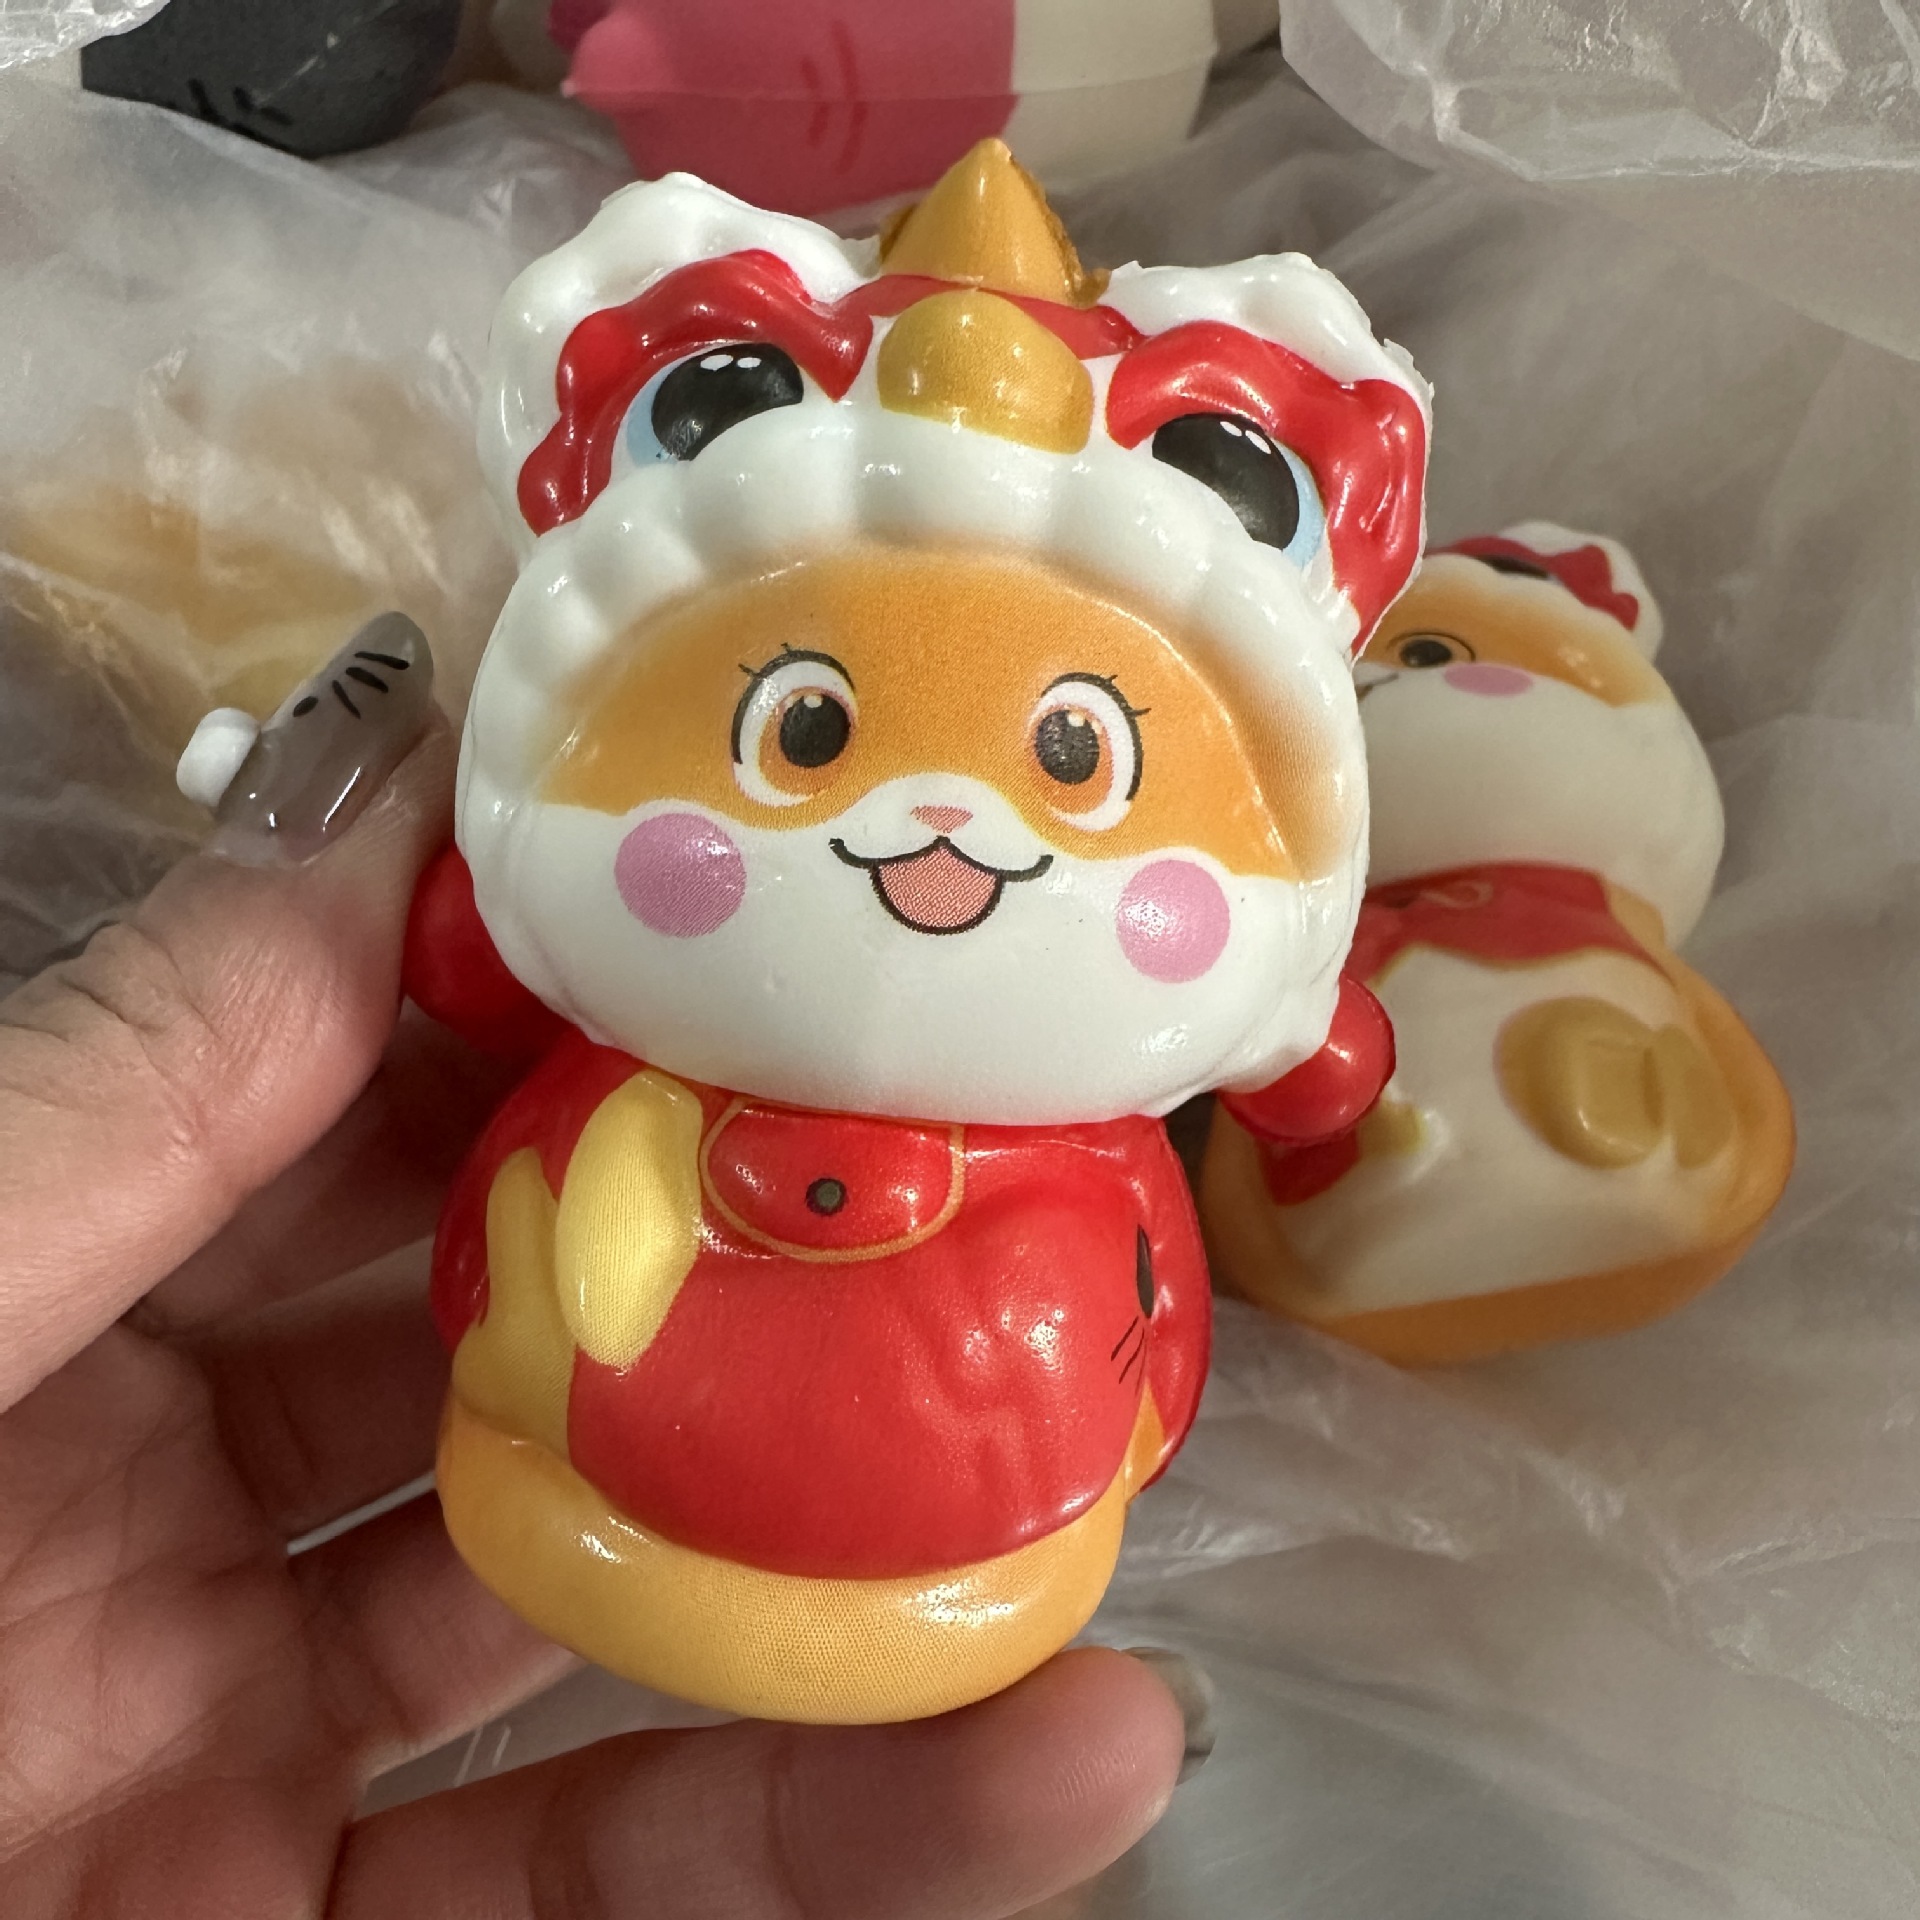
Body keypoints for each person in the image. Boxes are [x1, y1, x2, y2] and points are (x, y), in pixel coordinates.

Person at [0, 719, 1207, 1917]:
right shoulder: (629, 1010)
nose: (945, 811)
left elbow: (1165, 1340)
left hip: (1007, 1543)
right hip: (557, 1465)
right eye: (808, 731)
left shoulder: (1101, 1098)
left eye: (1072, 757)